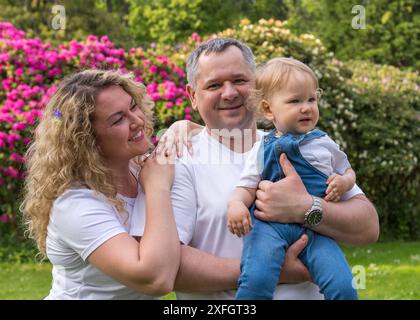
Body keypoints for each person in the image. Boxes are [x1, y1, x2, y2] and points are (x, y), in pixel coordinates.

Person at [132, 37, 379, 300]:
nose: (229, 93)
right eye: (214, 85)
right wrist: (270, 270)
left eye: (239, 81)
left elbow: (368, 227)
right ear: (193, 96)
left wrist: (307, 208)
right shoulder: (177, 160)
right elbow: (163, 267)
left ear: (258, 88)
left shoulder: (302, 144)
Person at [21, 69, 180, 299]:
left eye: (133, 106)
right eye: (118, 119)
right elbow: (156, 278)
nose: (137, 121)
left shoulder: (141, 168)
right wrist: (157, 188)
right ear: (86, 140)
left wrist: (183, 126)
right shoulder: (75, 203)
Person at [227, 57, 358, 300]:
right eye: (295, 101)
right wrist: (236, 204)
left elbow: (348, 171)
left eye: (311, 99)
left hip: (315, 231)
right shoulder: (261, 147)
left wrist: (344, 182)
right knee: (256, 278)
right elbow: (246, 185)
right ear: (268, 109)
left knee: (344, 286)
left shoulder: (325, 143)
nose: (306, 107)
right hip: (268, 228)